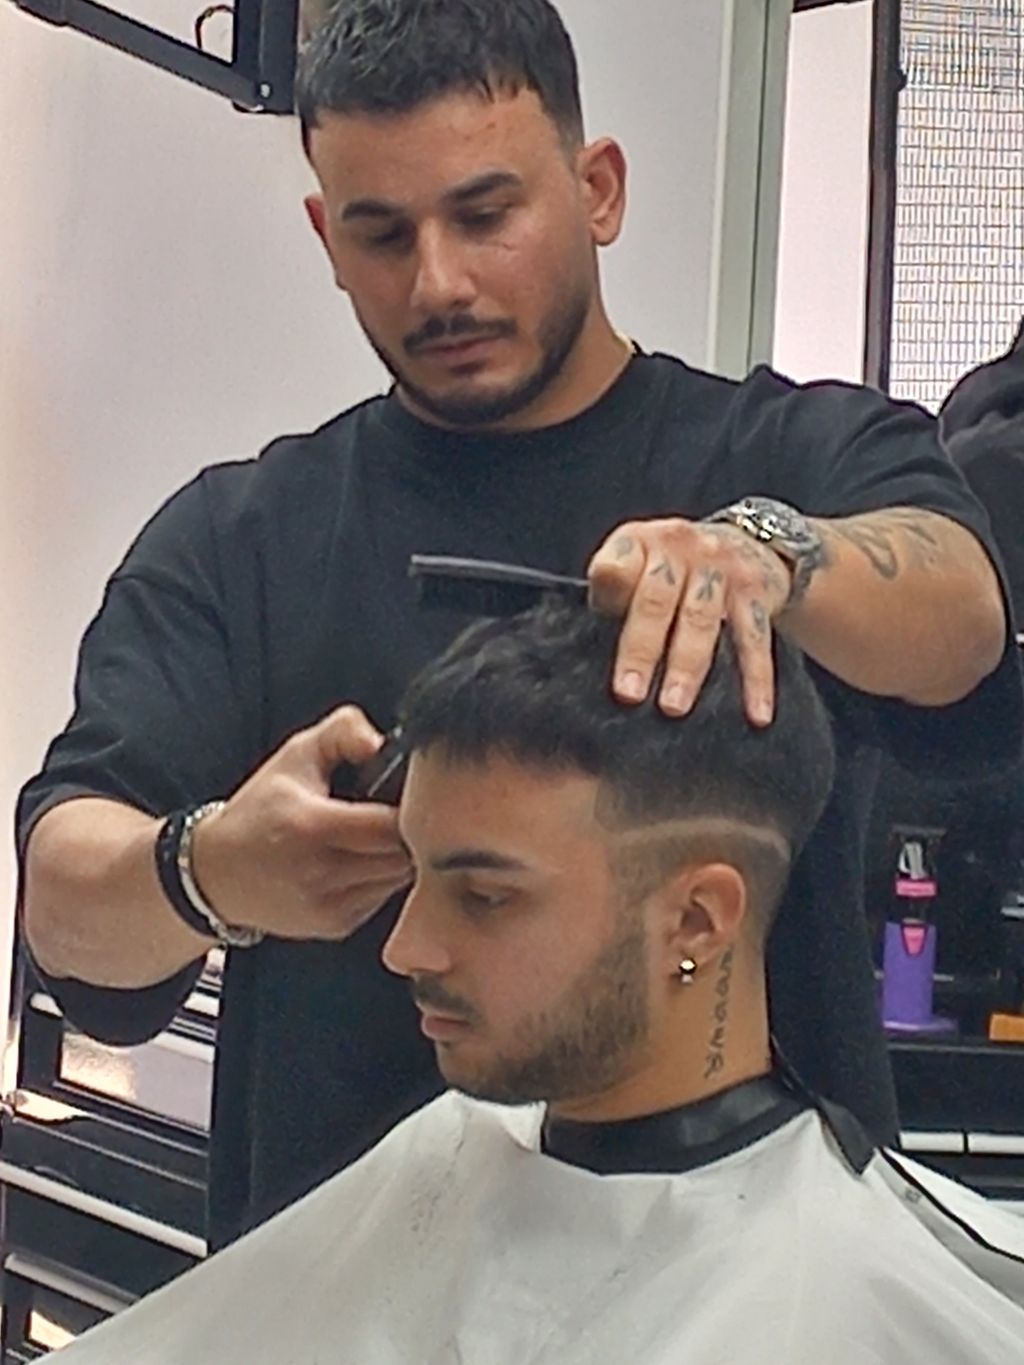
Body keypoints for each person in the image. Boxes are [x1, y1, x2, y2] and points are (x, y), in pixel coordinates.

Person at [17, 0, 1019, 1252]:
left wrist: (771, 556)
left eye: (485, 215)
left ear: (597, 190)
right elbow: (64, 900)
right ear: (327, 237)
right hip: (351, 1294)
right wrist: (210, 868)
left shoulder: (794, 449)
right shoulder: (239, 540)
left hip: (748, 1284)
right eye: (382, 233)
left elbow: (959, 615)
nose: (438, 282)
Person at [49, 604, 1024, 1364]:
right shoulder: (443, 1156)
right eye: (415, 874)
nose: (404, 949)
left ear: (695, 919)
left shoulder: (877, 1290)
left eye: (484, 897)